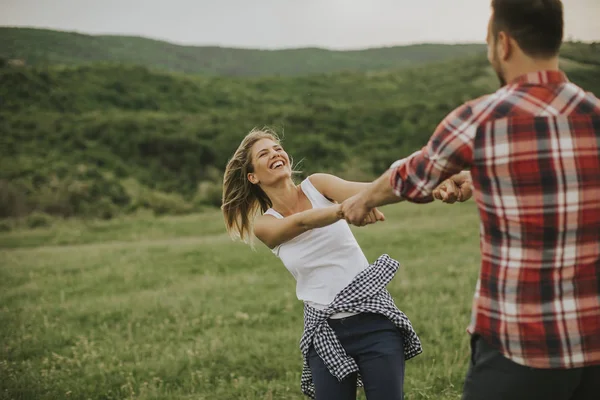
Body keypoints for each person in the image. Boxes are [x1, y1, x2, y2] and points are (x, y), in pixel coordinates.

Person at [341, 1, 600, 399]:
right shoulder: (593, 114)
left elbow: (413, 177)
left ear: (503, 43)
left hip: (519, 345)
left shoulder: (482, 118)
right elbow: (561, 182)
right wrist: (479, 178)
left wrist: (362, 200)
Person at [221, 128, 427, 400]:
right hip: (325, 331)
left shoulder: (318, 185)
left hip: (374, 321)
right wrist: (346, 210)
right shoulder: (266, 224)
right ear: (253, 176)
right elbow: (302, 222)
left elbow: (371, 190)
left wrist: (433, 185)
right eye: (264, 153)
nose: (275, 153)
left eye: (277, 148)